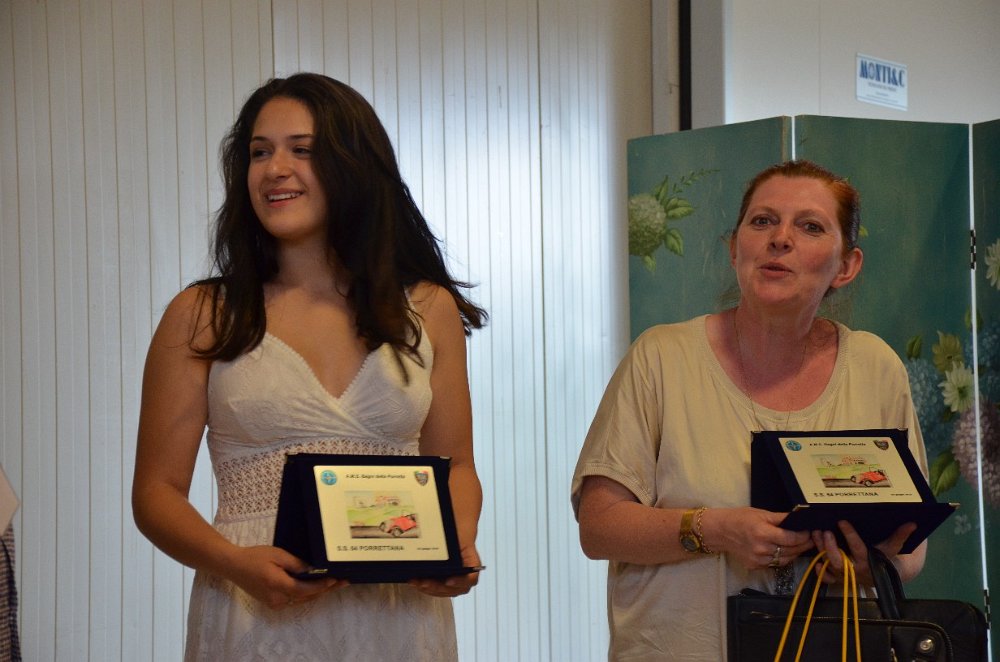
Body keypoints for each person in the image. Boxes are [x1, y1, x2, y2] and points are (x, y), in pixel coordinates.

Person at [132, 73, 486, 661]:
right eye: (259, 152)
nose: (275, 169)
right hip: (253, 613)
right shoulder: (202, 313)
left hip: (399, 615)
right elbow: (155, 493)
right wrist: (234, 563)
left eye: (301, 149)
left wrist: (456, 545)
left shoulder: (428, 307)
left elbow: (459, 466)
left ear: (355, 166)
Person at [572, 160, 928, 660]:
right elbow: (599, 527)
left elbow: (910, 548)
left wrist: (870, 565)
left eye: (810, 226)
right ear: (734, 249)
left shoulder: (875, 366)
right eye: (762, 221)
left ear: (846, 266)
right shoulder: (662, 357)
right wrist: (715, 529)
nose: (780, 239)